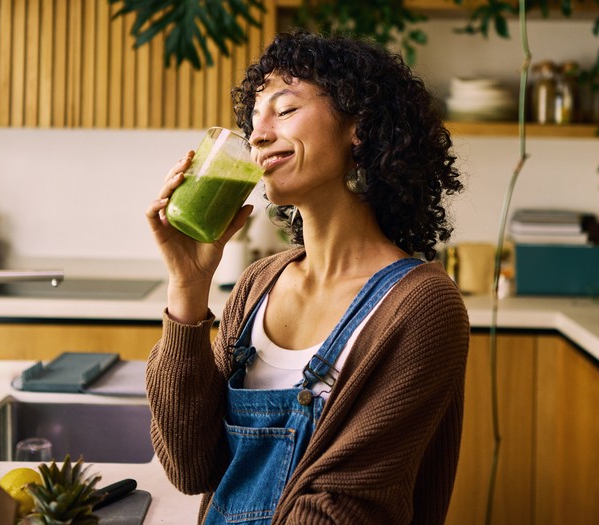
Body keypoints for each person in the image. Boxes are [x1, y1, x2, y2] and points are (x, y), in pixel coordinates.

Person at [145, 30, 470, 525]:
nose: (257, 134)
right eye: (254, 118)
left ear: (358, 126)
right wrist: (188, 289)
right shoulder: (258, 285)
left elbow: (345, 503)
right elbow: (192, 468)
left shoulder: (422, 305)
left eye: (285, 109)